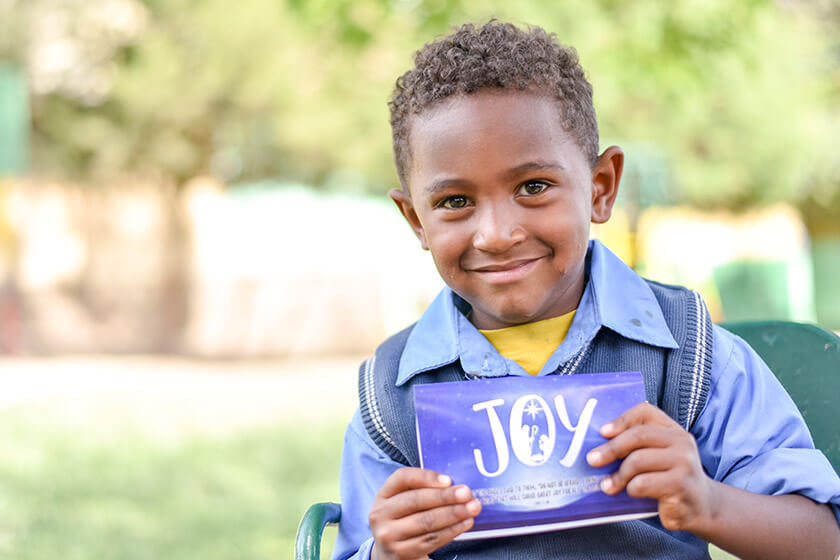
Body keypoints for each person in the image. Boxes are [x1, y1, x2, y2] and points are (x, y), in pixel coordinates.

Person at [332, 20, 840, 560]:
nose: (498, 234)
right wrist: (386, 553)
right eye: (455, 201)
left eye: (533, 187)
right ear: (415, 221)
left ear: (601, 188)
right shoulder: (390, 397)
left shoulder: (692, 357)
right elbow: (357, 545)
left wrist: (707, 503)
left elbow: (823, 541)